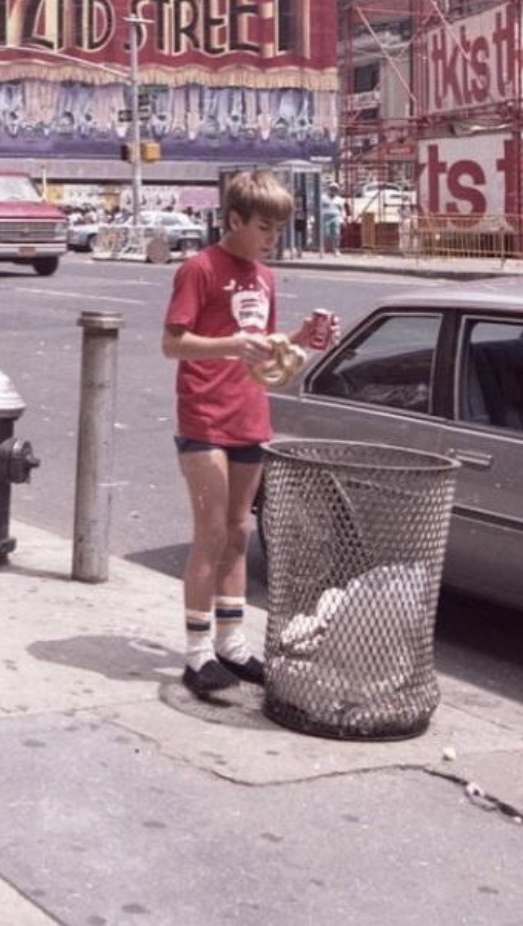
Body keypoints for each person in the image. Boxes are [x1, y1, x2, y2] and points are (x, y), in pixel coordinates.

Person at [161, 168, 339, 699]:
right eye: (264, 228)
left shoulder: (265, 276)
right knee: (211, 531)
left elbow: (263, 345)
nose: (271, 239)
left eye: (279, 230)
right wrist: (232, 344)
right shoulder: (200, 268)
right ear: (233, 219)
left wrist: (300, 337)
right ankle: (197, 654)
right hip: (205, 416)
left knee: (240, 532)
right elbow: (174, 343)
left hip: (249, 413)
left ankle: (232, 644)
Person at [321, 183, 344, 254]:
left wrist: (342, 219)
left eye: (335, 189)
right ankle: (325, 248)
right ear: (329, 189)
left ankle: (336, 249)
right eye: (332, 189)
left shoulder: (339, 199)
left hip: (336, 217)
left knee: (336, 233)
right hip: (325, 217)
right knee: (326, 233)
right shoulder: (323, 197)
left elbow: (341, 210)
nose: (333, 190)